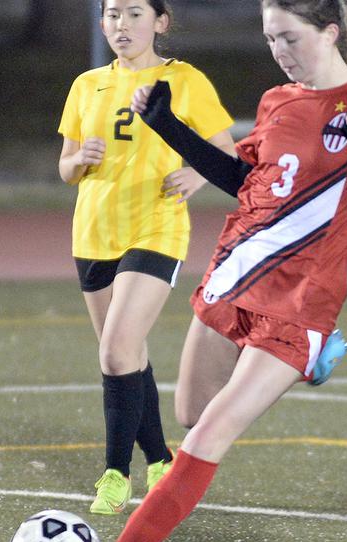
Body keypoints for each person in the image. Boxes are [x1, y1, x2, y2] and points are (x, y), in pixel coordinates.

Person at [97, 0, 347, 542]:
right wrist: (167, 126)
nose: (279, 53)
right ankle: (305, 362)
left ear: (330, 32)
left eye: (289, 38)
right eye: (270, 41)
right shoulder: (276, 100)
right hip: (234, 277)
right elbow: (243, 181)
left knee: (207, 436)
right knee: (191, 411)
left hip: (302, 299)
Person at [57, 0, 236, 515]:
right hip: (92, 232)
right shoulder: (85, 84)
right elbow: (66, 168)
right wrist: (78, 160)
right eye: (113, 15)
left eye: (134, 14)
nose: (121, 25)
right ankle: (160, 458)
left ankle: (115, 473)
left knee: (116, 350)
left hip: (156, 225)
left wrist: (197, 175)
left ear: (160, 22)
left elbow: (225, 150)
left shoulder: (184, 80)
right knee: (127, 355)